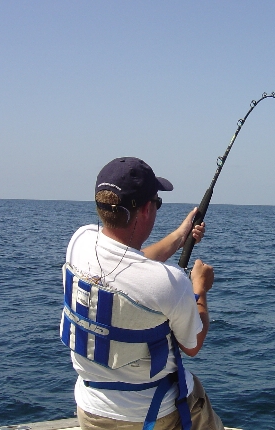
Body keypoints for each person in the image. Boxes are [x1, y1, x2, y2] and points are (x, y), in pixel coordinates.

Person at [60, 157, 224, 430]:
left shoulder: (80, 242)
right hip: (152, 415)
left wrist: (181, 235)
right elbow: (193, 345)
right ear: (147, 209)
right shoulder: (170, 282)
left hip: (90, 408)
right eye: (157, 203)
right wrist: (200, 289)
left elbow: (130, 266)